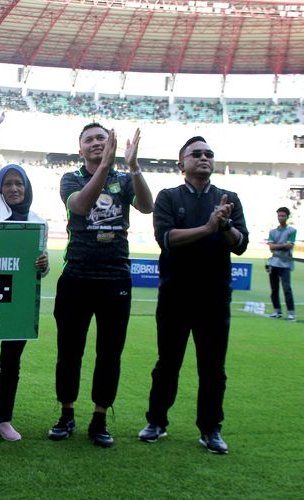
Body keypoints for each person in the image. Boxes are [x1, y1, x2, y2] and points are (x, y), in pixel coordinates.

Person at [138, 136, 248, 454]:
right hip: (175, 296)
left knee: (213, 367)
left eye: (209, 154)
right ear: (181, 163)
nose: (204, 158)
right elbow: (167, 239)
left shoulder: (229, 198)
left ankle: (211, 429)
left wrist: (225, 225)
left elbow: (240, 243)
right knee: (167, 364)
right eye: (196, 154)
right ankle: (157, 422)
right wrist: (208, 227)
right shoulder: (169, 197)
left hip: (214, 297)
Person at [49, 123, 154, 448]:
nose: (96, 143)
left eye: (102, 139)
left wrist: (133, 166)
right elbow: (79, 206)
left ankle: (99, 418)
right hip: (77, 274)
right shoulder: (71, 178)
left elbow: (147, 206)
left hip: (115, 276)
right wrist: (106, 166)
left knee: (110, 354)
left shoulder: (124, 179)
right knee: (70, 351)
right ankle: (66, 414)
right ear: (79, 149)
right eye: (90, 139)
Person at [0, 107, 49, 444]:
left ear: (27, 188)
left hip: (17, 304)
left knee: (12, 363)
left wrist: (42, 267)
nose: (14, 188)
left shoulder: (38, 221)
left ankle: (4, 419)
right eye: (8, 183)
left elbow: (36, 267)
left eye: (19, 183)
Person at [267, 207, 296, 321]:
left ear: (287, 217)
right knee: (274, 289)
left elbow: (290, 246)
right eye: (279, 215)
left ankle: (291, 313)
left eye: (283, 216)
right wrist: (282, 245)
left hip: (285, 264)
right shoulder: (272, 231)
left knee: (287, 289)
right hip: (273, 263)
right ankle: (277, 311)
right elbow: (271, 247)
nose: (280, 218)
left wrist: (276, 246)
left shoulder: (291, 231)